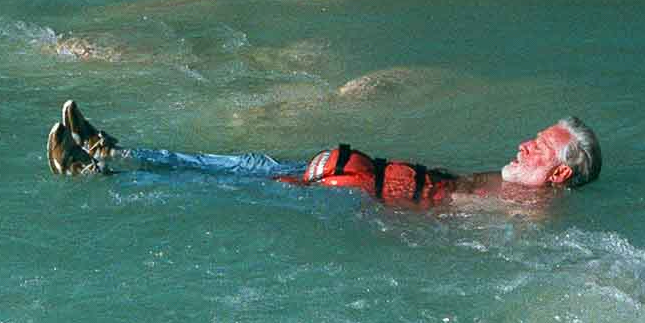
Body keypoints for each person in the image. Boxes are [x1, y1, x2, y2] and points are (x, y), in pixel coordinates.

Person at [46, 100, 600, 208]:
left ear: (557, 172)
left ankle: (102, 175)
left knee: (243, 185)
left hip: (351, 203)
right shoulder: (506, 185)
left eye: (541, 145)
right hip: (369, 183)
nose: (526, 143)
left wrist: (351, 189)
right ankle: (119, 150)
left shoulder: (527, 213)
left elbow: (441, 229)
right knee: (253, 165)